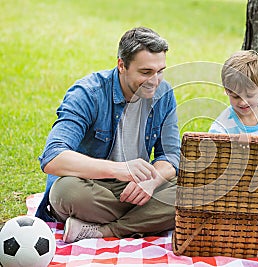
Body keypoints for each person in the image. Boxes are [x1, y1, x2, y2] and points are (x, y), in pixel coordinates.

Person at [36, 26, 181, 243]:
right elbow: (53, 157)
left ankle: (103, 230)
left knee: (194, 192)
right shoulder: (88, 93)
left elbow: (170, 155)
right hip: (91, 187)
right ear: (122, 65)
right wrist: (119, 169)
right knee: (65, 192)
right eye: (146, 72)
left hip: (137, 188)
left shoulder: (164, 95)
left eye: (160, 71)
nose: (155, 81)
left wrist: (152, 182)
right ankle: (147, 218)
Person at [209, 50, 258, 137]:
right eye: (236, 97)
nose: (243, 102)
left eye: (249, 95)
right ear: (227, 90)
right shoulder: (221, 127)